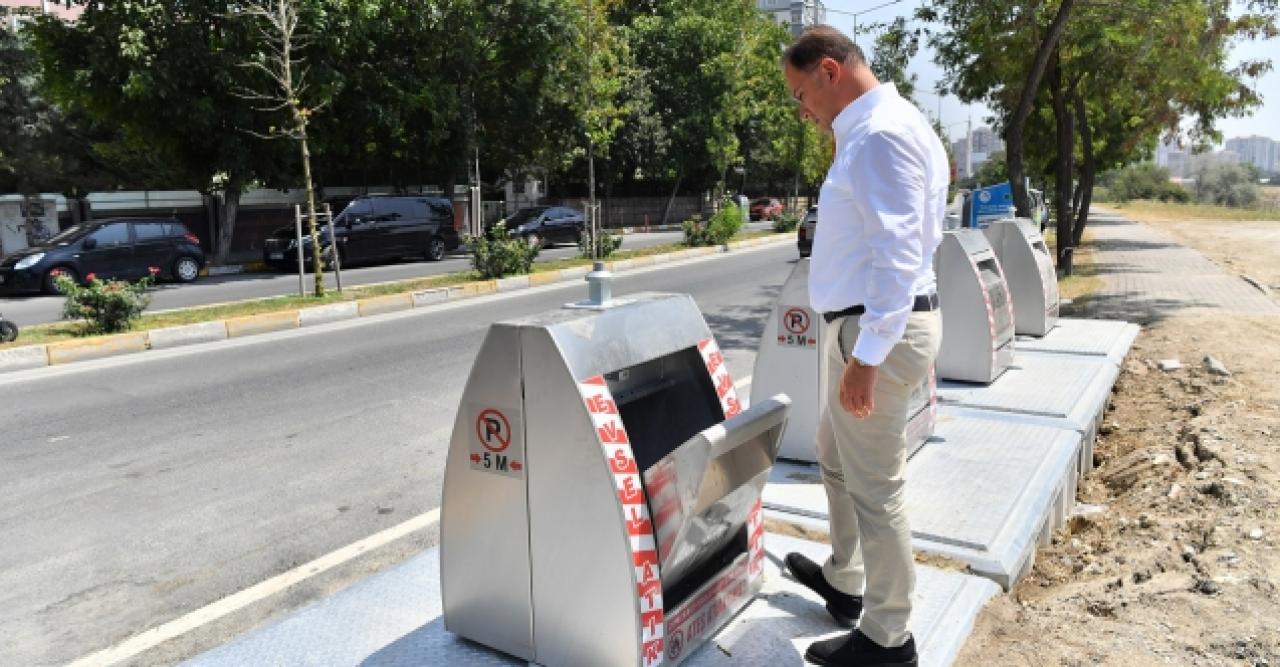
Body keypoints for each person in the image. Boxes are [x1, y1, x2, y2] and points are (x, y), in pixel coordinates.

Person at [780, 25, 947, 667]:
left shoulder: (880, 137)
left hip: (877, 333)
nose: (801, 110)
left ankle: (887, 635)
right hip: (859, 327)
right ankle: (846, 581)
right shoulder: (878, 129)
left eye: (800, 93)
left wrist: (867, 359)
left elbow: (899, 257)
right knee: (832, 454)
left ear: (829, 71)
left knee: (876, 487)